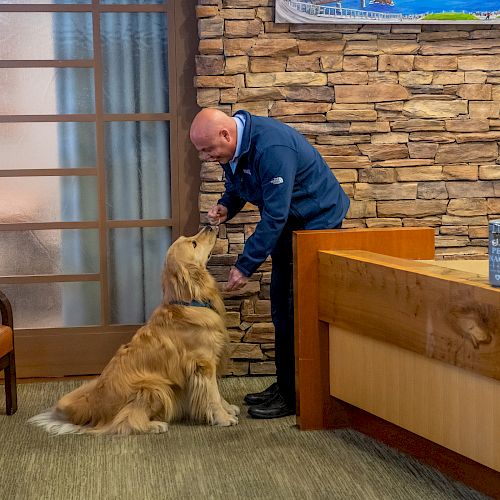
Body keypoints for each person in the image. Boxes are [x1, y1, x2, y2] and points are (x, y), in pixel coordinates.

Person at [190, 108, 350, 419]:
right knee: (280, 305)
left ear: (225, 134)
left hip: (317, 221)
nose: (206, 156)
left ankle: (295, 397)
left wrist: (245, 265)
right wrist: (226, 205)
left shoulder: (271, 147)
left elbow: (275, 214)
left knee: (293, 307)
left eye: (208, 149)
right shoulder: (234, 148)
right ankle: (285, 385)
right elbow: (240, 186)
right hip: (290, 222)